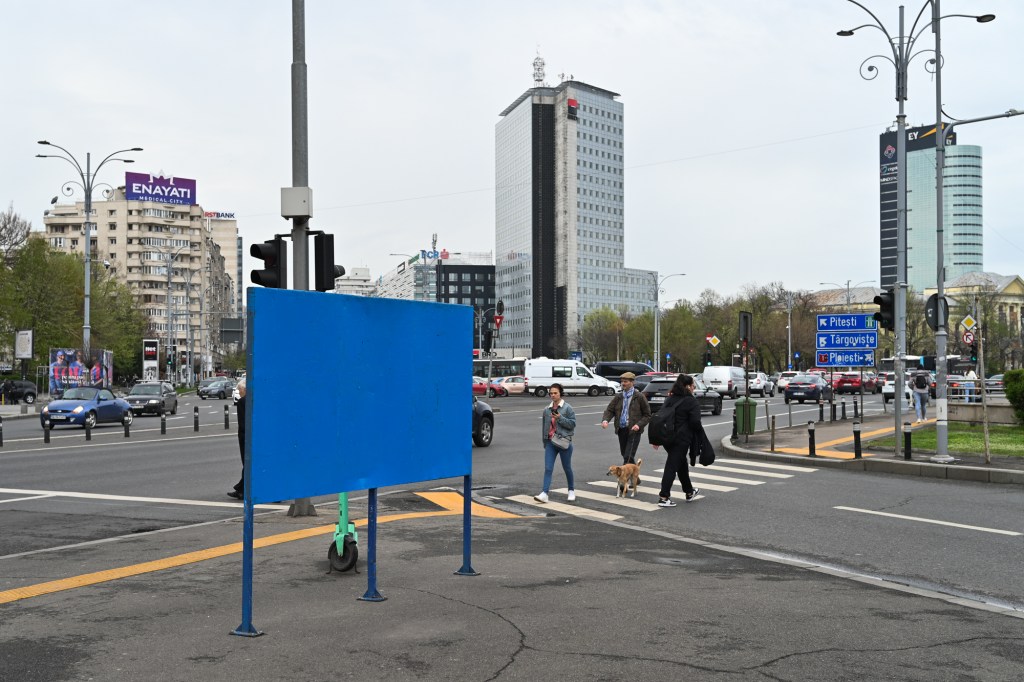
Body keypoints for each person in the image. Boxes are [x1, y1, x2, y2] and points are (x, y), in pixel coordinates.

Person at [652, 374, 703, 507]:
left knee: (681, 464)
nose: (694, 388)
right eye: (693, 385)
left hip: (667, 438)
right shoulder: (691, 401)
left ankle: (689, 491)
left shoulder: (670, 398)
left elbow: (661, 418)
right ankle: (664, 496)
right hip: (681, 439)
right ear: (687, 386)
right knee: (672, 466)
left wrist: (657, 439)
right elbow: (696, 422)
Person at [534, 383, 576, 504]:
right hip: (551, 443)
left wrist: (560, 418)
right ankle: (544, 493)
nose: (553, 395)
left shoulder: (567, 408)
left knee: (567, 467)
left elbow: (572, 425)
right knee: (548, 468)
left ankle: (571, 490)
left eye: (555, 393)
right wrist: (545, 442)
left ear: (560, 393)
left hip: (564, 442)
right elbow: (544, 426)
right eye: (551, 393)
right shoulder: (547, 410)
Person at [601, 372, 652, 468]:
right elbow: (609, 410)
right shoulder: (619, 396)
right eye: (622, 381)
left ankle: (623, 481)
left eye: (626, 381)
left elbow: (647, 415)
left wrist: (639, 425)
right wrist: (605, 420)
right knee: (625, 454)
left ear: (632, 382)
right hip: (622, 430)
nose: (623, 383)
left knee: (628, 456)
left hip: (634, 430)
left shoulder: (639, 397)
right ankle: (635, 477)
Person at [228, 378, 247, 499]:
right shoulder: (257, 399)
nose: (239, 393)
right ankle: (241, 489)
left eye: (239, 390)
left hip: (246, 437)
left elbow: (243, 423)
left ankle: (241, 490)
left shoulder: (242, 402)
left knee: (248, 463)